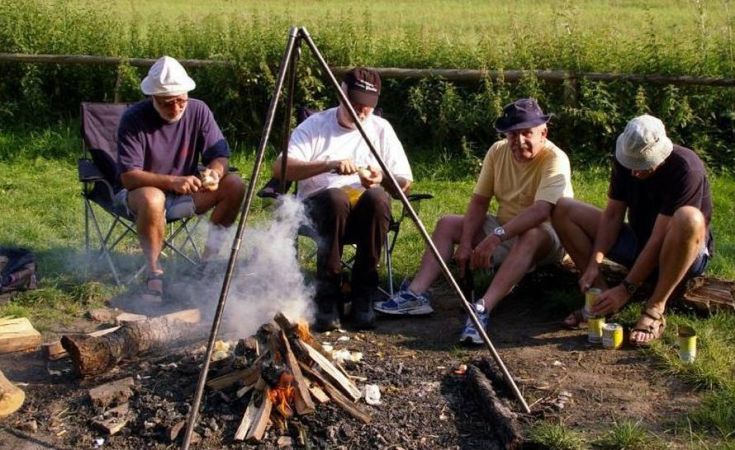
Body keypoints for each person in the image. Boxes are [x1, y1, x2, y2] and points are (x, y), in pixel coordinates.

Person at [375, 98, 573, 344]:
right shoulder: (497, 151)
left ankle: (482, 309)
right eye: (513, 134)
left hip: (548, 235)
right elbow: (480, 201)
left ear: (543, 133)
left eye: (526, 133)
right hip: (505, 228)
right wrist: (467, 243)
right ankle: (415, 294)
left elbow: (541, 212)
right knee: (447, 224)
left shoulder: (555, 158)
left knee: (532, 234)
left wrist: (495, 237)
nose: (519, 141)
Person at [271, 67, 413, 331]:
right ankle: (328, 297)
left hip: (365, 217)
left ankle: (363, 295)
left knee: (378, 198)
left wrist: (382, 177)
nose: (361, 111)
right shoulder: (315, 126)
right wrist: (329, 165)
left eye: (367, 106)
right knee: (336, 198)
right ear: (341, 94)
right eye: (355, 103)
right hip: (319, 212)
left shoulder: (381, 129)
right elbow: (280, 168)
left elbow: (405, 183)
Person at [552, 114, 713, 346]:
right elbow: (612, 216)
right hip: (639, 243)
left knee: (689, 218)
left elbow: (659, 238)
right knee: (564, 209)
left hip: (681, 252)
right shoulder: (624, 160)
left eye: (643, 165)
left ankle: (655, 308)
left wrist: (626, 289)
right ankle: (601, 299)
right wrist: (594, 262)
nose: (634, 173)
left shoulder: (686, 168)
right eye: (631, 164)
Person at [116, 56, 245, 302]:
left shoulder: (198, 110)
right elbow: (129, 177)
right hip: (140, 193)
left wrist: (215, 173)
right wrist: (172, 181)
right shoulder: (133, 119)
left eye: (181, 101)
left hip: (185, 191)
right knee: (154, 198)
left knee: (235, 185)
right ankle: (154, 273)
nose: (175, 108)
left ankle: (206, 265)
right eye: (167, 103)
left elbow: (220, 155)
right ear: (153, 97)